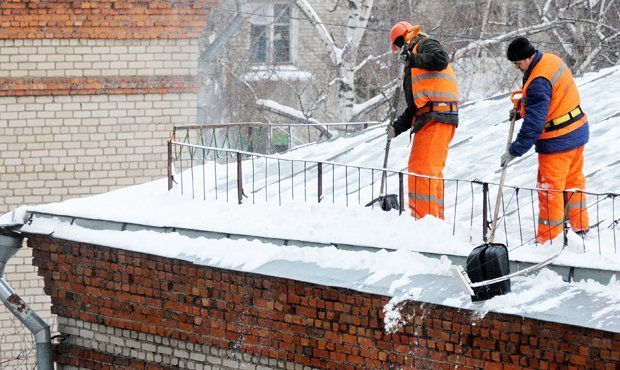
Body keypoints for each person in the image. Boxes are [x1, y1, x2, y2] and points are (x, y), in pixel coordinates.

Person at [501, 37, 589, 244]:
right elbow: (552, 99)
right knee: (573, 182)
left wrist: (514, 150)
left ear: (527, 57)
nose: (516, 68)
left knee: (550, 189)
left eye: (517, 63)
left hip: (558, 141)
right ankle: (580, 228)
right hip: (576, 131)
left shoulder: (538, 81)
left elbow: (534, 123)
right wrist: (523, 108)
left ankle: (549, 239)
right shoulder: (551, 60)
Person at [387, 22, 459, 220]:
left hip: (436, 118)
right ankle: (434, 220)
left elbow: (440, 59)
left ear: (405, 40)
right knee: (431, 173)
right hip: (434, 116)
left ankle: (424, 222)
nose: (400, 53)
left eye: (400, 46)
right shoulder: (414, 63)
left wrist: (412, 58)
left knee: (421, 170)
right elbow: (415, 107)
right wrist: (397, 127)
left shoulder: (425, 44)